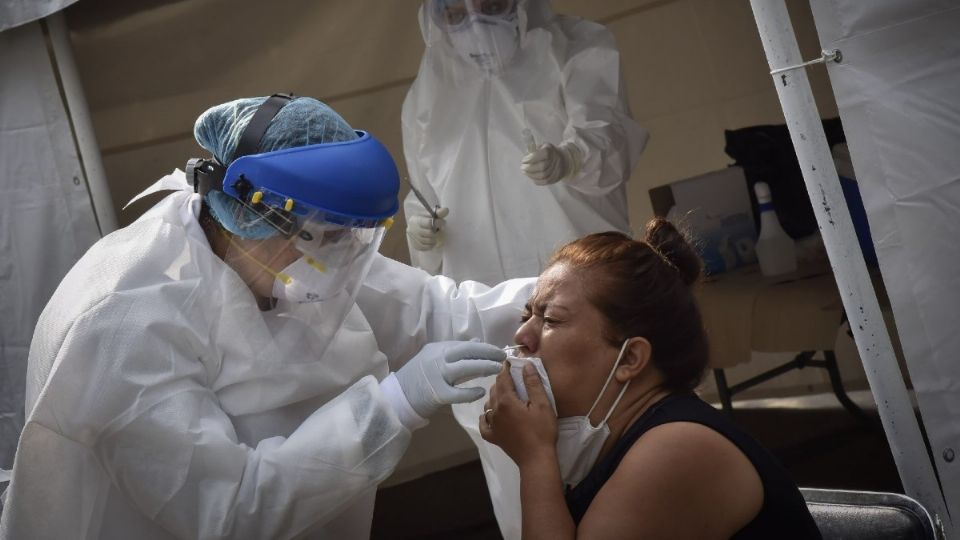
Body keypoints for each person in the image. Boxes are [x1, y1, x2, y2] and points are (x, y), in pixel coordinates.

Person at [0, 94, 536, 539]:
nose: (341, 256)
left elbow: (442, 312)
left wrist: (571, 292)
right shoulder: (125, 323)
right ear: (251, 214)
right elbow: (229, 512)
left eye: (350, 236)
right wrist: (394, 405)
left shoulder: (290, 249)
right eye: (325, 236)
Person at [476, 220, 822, 539]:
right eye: (527, 314)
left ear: (629, 358)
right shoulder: (614, 442)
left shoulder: (676, 448)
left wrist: (535, 459)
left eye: (550, 319)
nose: (522, 334)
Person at [402, 0, 649, 285]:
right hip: (481, 290)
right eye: (455, 15)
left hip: (580, 272)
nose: (475, 26)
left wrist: (572, 159)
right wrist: (423, 236)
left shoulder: (575, 48)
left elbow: (609, 137)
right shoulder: (427, 95)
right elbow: (424, 195)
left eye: (491, 7)